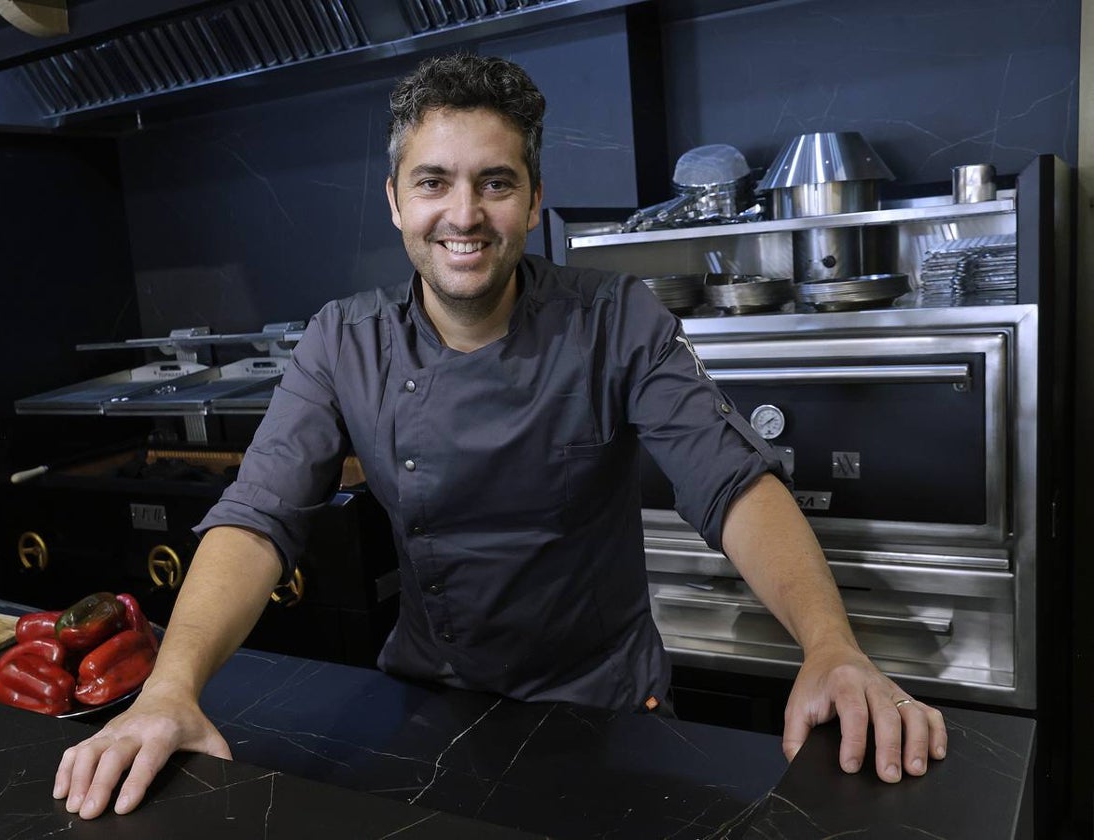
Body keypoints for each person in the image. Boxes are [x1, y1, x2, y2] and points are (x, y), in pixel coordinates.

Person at [53, 53, 947, 820]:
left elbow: (732, 484)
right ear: (396, 200)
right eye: (434, 181)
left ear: (533, 197)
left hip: (606, 711)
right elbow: (258, 515)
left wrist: (831, 646)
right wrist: (171, 690)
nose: (465, 214)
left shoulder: (617, 321)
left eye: (496, 181)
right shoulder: (342, 340)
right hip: (430, 701)